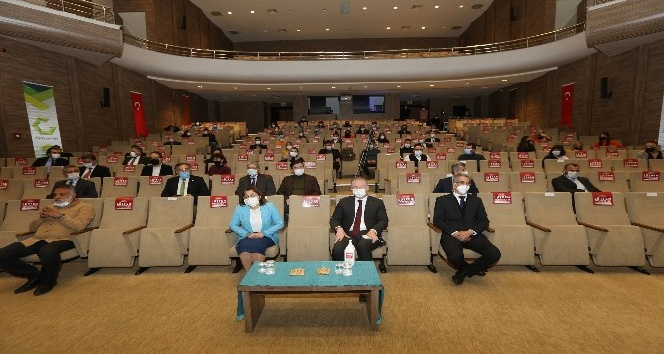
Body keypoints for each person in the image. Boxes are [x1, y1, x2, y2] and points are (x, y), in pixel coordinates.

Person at [0, 184, 95, 295]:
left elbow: (80, 226)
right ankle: (35, 275)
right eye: (55, 194)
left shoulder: (85, 207)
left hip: (65, 239)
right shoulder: (50, 206)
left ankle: (48, 282)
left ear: (73, 195)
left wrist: (60, 216)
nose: (57, 197)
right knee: (2, 254)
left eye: (61, 194)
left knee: (46, 252)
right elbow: (32, 228)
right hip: (37, 239)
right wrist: (41, 218)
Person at [432, 174, 501, 285]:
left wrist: (470, 232)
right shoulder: (442, 200)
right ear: (454, 185)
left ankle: (464, 272)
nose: (465, 186)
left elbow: (484, 221)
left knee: (494, 253)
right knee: (454, 257)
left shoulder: (476, 200)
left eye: (467, 183)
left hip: (472, 234)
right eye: (461, 183)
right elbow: (438, 220)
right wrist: (455, 233)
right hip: (452, 235)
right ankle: (470, 269)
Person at [330, 177, 388, 262]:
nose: (358, 189)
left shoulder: (377, 202)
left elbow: (383, 220)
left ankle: (365, 273)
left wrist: (374, 230)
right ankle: (344, 272)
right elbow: (334, 219)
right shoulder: (344, 202)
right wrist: (338, 228)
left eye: (361, 187)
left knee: (363, 246)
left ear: (367, 188)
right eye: (355, 187)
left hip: (368, 233)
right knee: (337, 250)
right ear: (351, 189)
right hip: (348, 234)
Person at [229, 187, 284, 271]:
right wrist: (246, 234)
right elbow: (233, 225)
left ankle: (255, 273)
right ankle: (249, 274)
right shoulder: (240, 208)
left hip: (267, 236)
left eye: (252, 195)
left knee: (258, 245)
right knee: (243, 246)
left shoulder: (269, 206)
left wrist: (264, 233)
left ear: (259, 196)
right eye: (246, 196)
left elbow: (280, 223)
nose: (249, 198)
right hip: (247, 236)